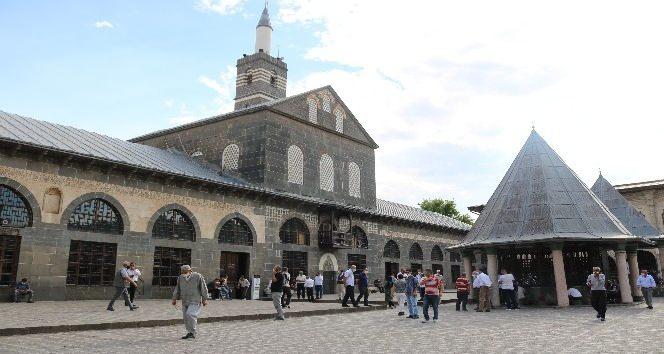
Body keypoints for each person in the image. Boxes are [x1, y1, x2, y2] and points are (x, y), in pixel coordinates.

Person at [172, 265, 208, 339]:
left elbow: (203, 287)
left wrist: (204, 299)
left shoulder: (197, 276)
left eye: (185, 272)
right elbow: (177, 289)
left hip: (195, 300)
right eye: (182, 272)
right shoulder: (180, 278)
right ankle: (189, 332)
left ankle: (193, 332)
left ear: (190, 271)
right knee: (185, 317)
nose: (184, 273)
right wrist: (174, 298)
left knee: (190, 314)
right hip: (185, 300)